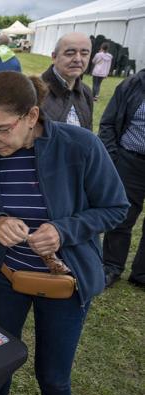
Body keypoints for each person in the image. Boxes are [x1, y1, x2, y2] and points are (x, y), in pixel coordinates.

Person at [0, 71, 128, 395]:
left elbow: (116, 207)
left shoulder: (81, 145)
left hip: (64, 285)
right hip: (6, 278)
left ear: (32, 116)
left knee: (53, 379)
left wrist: (64, 231)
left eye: (2, 129)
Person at [99, 68, 145, 289]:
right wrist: (112, 158)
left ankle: (142, 273)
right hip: (130, 161)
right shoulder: (132, 84)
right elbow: (107, 123)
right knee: (122, 217)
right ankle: (111, 266)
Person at [41, 32, 93, 130]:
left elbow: (88, 132)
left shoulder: (86, 92)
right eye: (70, 53)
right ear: (54, 57)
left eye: (84, 54)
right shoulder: (35, 91)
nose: (78, 59)